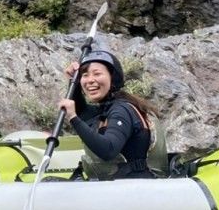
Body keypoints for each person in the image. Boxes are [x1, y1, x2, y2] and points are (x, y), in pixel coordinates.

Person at [58, 49, 166, 179]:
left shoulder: (121, 110)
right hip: (118, 186)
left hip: (134, 188)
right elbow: (82, 111)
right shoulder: (106, 109)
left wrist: (72, 117)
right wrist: (73, 81)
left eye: (97, 74)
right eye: (85, 75)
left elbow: (109, 149)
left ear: (113, 78)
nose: (90, 80)